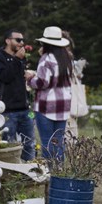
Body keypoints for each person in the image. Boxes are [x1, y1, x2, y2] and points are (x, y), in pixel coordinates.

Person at [27, 26, 73, 163]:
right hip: (63, 105)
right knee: (58, 142)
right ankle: (60, 174)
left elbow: (42, 83)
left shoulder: (46, 59)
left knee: (47, 143)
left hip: (46, 106)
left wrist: (29, 79)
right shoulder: (67, 59)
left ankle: (51, 175)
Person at [0, 28, 35, 161]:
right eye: (18, 40)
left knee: (29, 145)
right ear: (8, 41)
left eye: (23, 40)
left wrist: (25, 73)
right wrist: (16, 59)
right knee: (8, 146)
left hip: (25, 109)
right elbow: (6, 77)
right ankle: (10, 175)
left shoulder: (20, 58)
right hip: (7, 110)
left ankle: (30, 174)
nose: (21, 43)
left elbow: (16, 77)